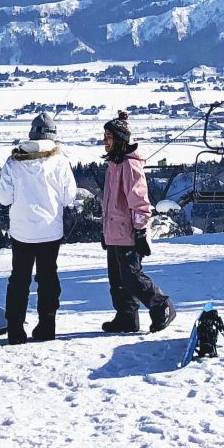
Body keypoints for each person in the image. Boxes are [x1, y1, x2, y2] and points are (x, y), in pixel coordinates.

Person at [0, 113, 81, 344]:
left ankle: (15, 330)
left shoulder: (13, 162)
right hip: (50, 231)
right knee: (48, 278)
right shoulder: (60, 161)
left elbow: (4, 199)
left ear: (31, 134)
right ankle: (46, 327)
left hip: (21, 232)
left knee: (19, 280)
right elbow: (68, 197)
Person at [100, 110, 175, 335]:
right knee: (117, 279)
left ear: (120, 140)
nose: (105, 143)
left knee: (132, 277)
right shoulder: (114, 164)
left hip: (128, 232)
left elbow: (140, 202)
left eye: (109, 138)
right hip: (115, 231)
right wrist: (105, 231)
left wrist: (141, 231)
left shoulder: (130, 166)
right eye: (104, 138)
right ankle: (126, 317)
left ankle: (160, 305)